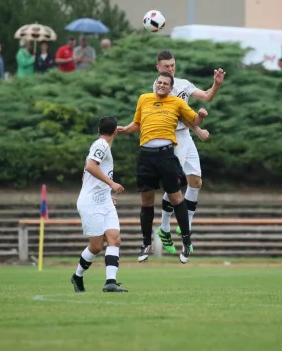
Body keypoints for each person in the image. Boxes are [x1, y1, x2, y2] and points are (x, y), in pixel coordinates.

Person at [118, 72, 208, 264]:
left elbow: (194, 121)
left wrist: (200, 116)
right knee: (146, 201)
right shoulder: (144, 99)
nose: (161, 85)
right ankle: (145, 244)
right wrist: (126, 129)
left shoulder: (176, 102)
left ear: (170, 87)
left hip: (166, 154)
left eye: (165, 83)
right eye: (159, 82)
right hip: (145, 155)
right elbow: (137, 123)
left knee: (176, 198)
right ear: (155, 84)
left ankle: (186, 242)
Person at [152, 50, 224, 255]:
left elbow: (207, 97)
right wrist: (199, 129)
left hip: (185, 137)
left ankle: (186, 226)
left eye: (173, 65)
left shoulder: (183, 83)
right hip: (171, 137)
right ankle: (164, 229)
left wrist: (217, 84)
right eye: (166, 66)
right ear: (158, 68)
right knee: (174, 184)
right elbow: (179, 114)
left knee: (196, 182)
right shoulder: (160, 86)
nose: (170, 69)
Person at [71, 116, 128, 293]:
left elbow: (85, 175)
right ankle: (77, 276)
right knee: (96, 246)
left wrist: (106, 193)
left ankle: (110, 282)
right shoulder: (101, 145)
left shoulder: (103, 146)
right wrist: (112, 184)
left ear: (99, 130)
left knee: (114, 239)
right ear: (115, 131)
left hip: (104, 201)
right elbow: (90, 167)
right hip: (90, 203)